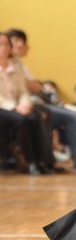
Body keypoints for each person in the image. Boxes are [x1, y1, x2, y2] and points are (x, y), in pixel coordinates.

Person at [8, 28, 76, 171]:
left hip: (32, 103)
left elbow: (34, 88)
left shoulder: (18, 64)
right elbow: (31, 88)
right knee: (68, 117)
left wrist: (34, 88)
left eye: (22, 42)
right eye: (16, 41)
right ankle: (53, 161)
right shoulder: (9, 66)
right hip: (22, 106)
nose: (21, 45)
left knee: (75, 116)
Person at [0, 32, 52, 175]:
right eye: (0, 44)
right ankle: (30, 162)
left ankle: (45, 160)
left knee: (37, 116)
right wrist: (16, 107)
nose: (3, 48)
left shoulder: (15, 66)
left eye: (6, 45)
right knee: (22, 120)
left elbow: (23, 90)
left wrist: (25, 104)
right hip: (4, 107)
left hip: (18, 105)